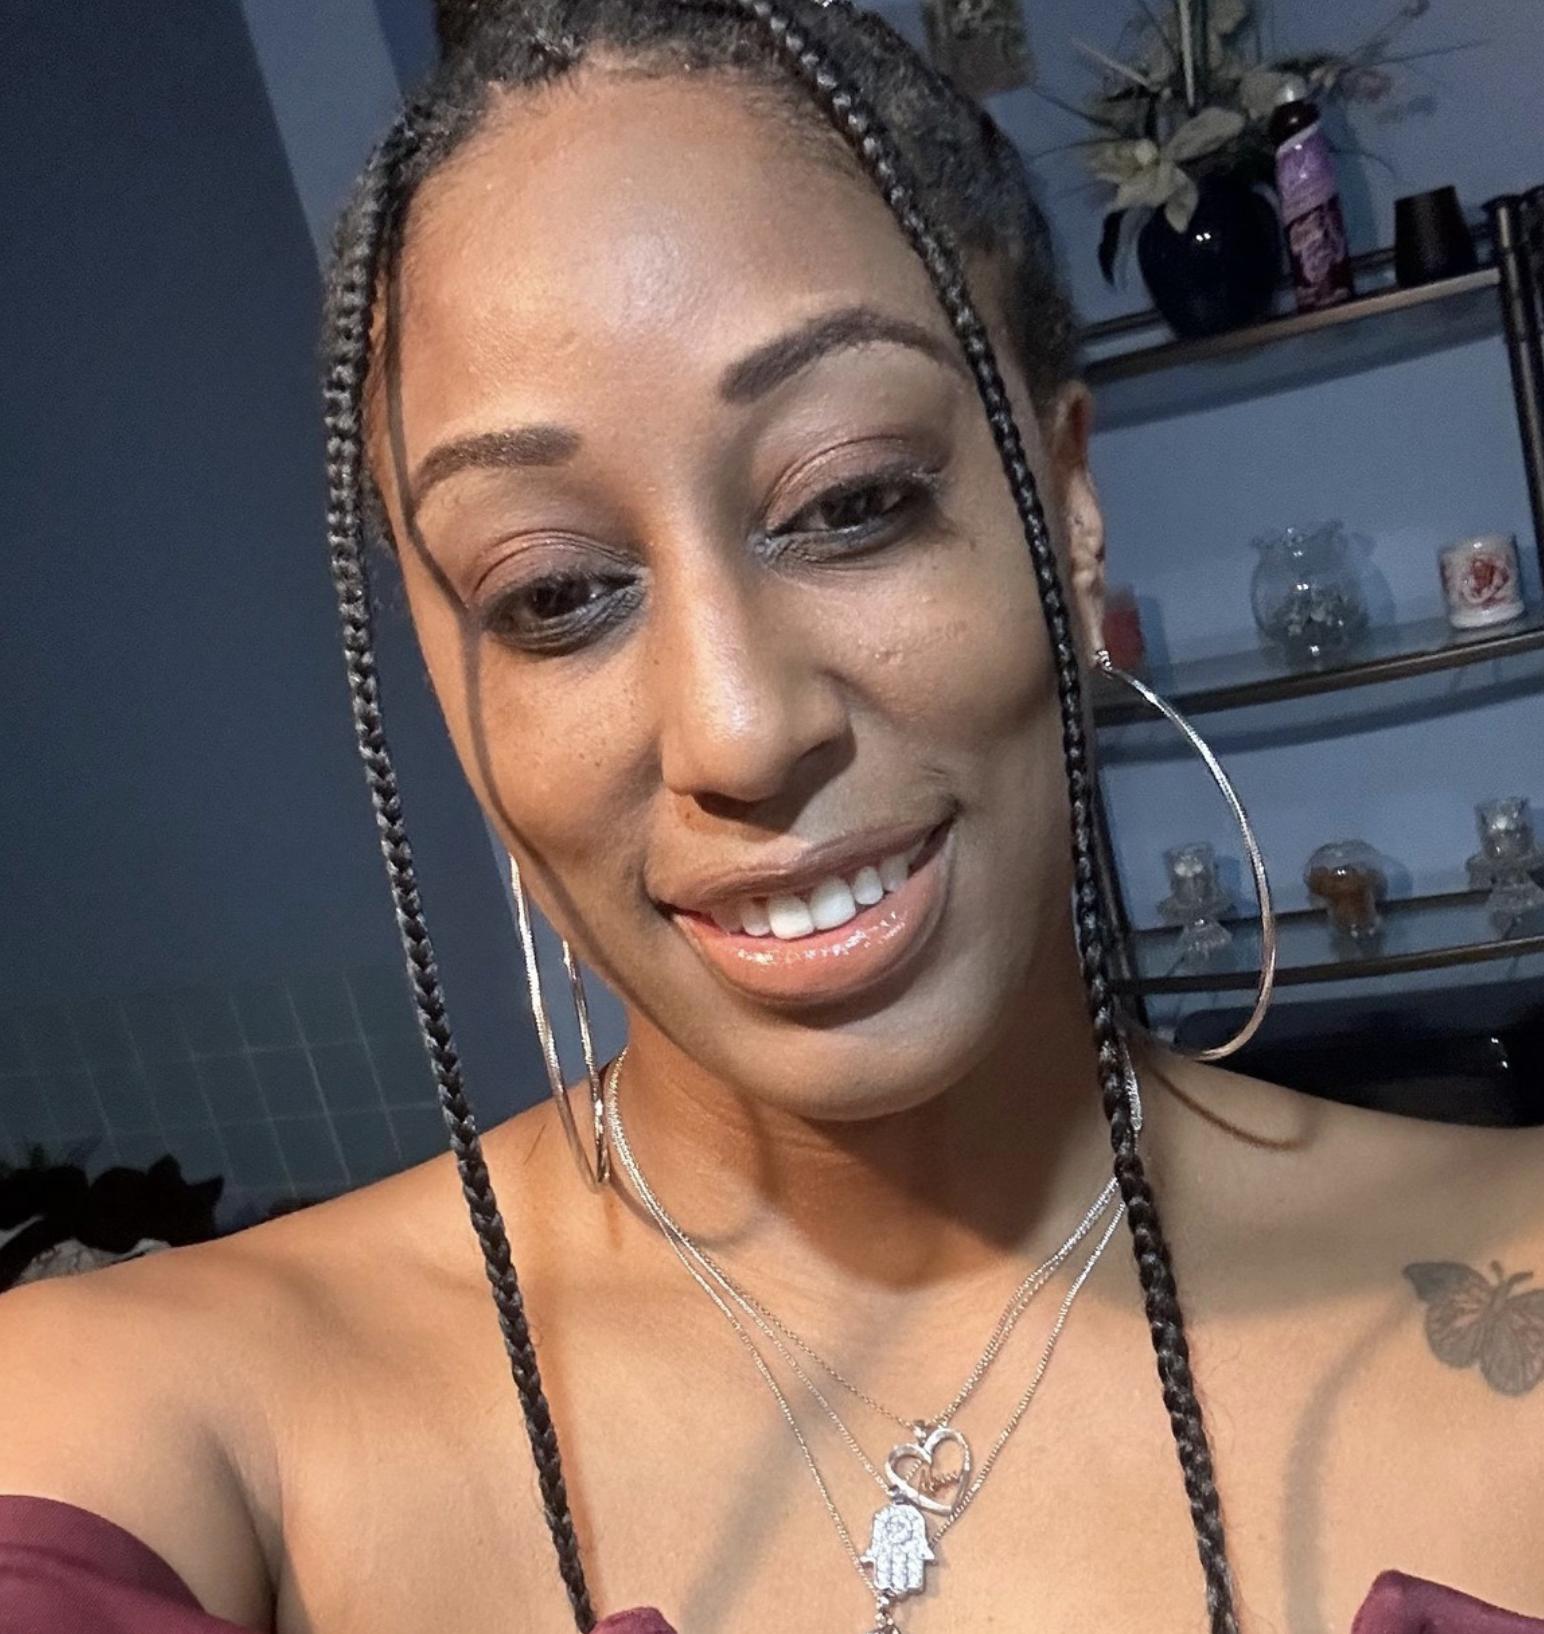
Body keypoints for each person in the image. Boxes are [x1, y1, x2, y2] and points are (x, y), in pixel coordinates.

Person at [2, 3, 1542, 1631]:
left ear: (1070, 503)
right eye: (553, 592)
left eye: (853, 501)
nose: (739, 728)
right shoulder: (147, 1409)